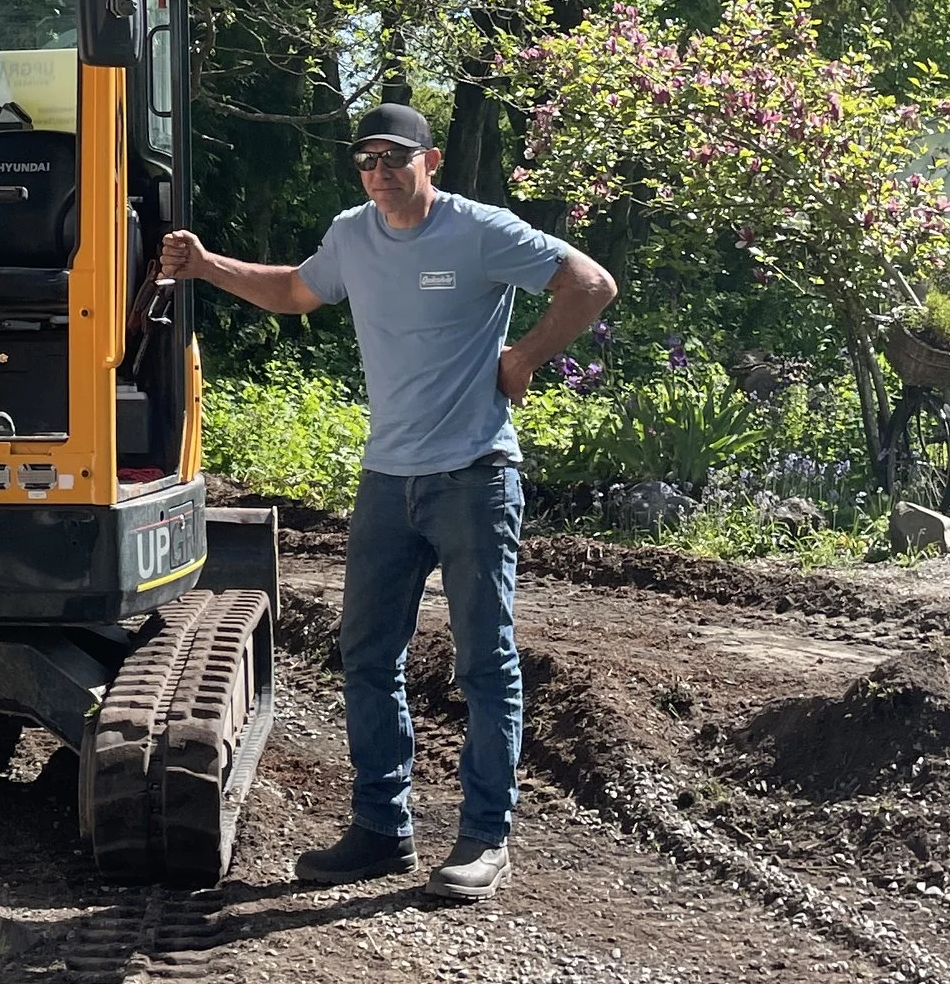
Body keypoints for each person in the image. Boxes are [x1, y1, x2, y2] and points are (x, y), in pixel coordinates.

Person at [159, 101, 615, 904]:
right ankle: (381, 829)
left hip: (474, 475)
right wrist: (205, 265)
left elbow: (590, 283)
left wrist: (524, 358)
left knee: (483, 662)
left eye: (393, 158)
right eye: (366, 159)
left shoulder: (480, 230)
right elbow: (297, 290)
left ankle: (484, 838)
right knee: (367, 655)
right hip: (386, 480)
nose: (379, 172)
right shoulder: (352, 234)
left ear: (428, 161)